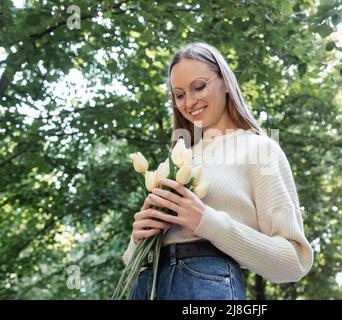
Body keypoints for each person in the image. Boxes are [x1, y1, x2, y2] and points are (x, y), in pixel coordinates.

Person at [122, 42, 313, 300]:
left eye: (199, 87)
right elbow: (131, 262)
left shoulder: (260, 149)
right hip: (147, 285)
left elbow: (294, 262)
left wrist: (206, 221)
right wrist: (139, 239)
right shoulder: (179, 157)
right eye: (179, 94)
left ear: (225, 82)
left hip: (205, 287)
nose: (189, 102)